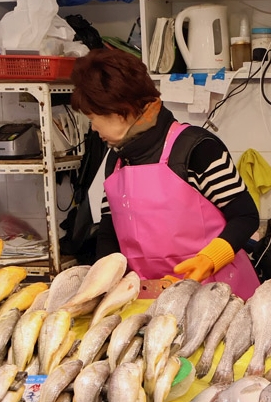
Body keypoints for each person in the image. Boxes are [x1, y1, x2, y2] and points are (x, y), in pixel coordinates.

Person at [69, 47, 261, 299]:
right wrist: (103, 282)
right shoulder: (117, 159)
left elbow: (246, 216)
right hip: (148, 298)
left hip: (216, 293)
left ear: (124, 109)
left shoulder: (196, 149)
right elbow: (109, 229)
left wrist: (210, 259)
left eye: (95, 117)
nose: (93, 128)